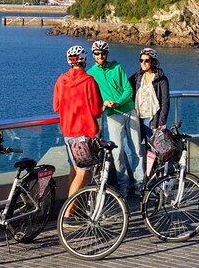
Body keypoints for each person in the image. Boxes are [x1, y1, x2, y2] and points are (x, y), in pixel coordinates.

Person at [53, 45, 104, 223]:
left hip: (67, 131)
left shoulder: (61, 80)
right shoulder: (89, 81)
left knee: (74, 170)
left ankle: (73, 209)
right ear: (84, 60)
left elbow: (56, 107)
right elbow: (97, 110)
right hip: (83, 133)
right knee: (83, 172)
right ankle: (67, 215)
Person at [86, 40, 142, 197]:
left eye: (103, 53)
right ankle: (123, 185)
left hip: (129, 110)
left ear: (107, 54)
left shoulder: (117, 67)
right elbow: (93, 96)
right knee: (117, 152)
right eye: (97, 53)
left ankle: (139, 184)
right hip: (112, 114)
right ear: (93, 55)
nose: (100, 56)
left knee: (136, 150)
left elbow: (128, 89)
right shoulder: (90, 74)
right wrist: (104, 104)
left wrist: (119, 102)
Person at [129, 48, 170, 178]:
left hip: (153, 119)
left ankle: (155, 179)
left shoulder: (161, 79)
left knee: (153, 151)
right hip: (137, 117)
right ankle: (141, 179)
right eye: (141, 60)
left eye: (147, 61)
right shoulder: (137, 77)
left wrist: (161, 123)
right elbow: (123, 87)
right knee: (134, 149)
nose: (143, 63)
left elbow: (165, 102)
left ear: (153, 62)